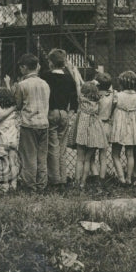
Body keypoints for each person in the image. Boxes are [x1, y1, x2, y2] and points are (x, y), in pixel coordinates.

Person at [41, 48, 79, 189]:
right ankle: (63, 177)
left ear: (50, 62)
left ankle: (55, 180)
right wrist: (70, 112)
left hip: (51, 112)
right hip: (64, 112)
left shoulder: (46, 76)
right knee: (62, 148)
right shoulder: (69, 77)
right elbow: (74, 98)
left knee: (53, 147)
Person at [14, 53, 50, 191]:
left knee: (29, 156)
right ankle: (42, 184)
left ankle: (30, 186)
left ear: (24, 67)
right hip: (44, 123)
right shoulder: (45, 84)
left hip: (29, 124)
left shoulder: (22, 85)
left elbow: (18, 105)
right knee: (42, 156)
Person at [71, 80, 107, 188]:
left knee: (79, 159)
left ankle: (76, 182)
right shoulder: (98, 102)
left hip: (82, 133)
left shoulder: (81, 100)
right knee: (87, 160)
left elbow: (77, 83)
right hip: (94, 133)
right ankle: (83, 182)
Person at [109, 70, 136, 185]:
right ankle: (129, 178)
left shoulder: (117, 95)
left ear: (121, 83)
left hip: (119, 125)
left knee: (115, 153)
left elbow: (112, 107)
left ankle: (121, 178)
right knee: (130, 154)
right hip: (131, 126)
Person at [0, 83, 20, 192]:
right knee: (12, 162)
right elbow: (11, 98)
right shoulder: (13, 111)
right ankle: (14, 183)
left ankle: (5, 184)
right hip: (12, 138)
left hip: (2, 139)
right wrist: (8, 86)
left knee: (4, 162)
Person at [95, 72, 115, 182]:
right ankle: (102, 178)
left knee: (92, 153)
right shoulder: (112, 95)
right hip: (107, 124)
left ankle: (93, 175)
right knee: (103, 155)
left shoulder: (95, 96)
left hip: (96, 125)